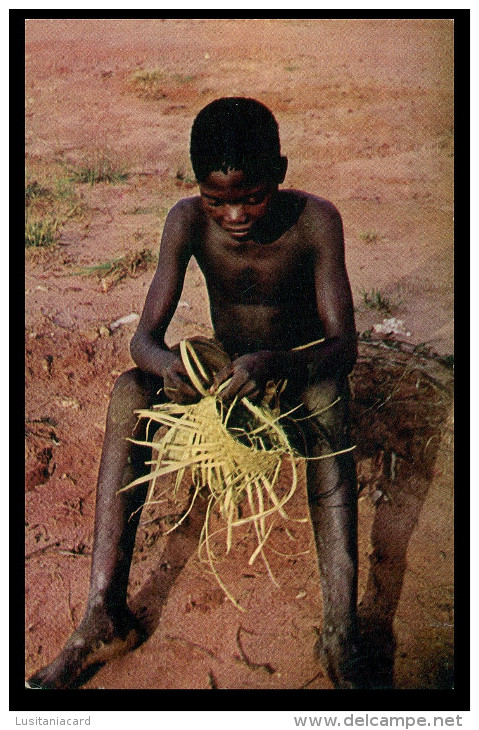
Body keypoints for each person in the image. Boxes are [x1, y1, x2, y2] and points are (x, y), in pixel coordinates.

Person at [27, 97, 361, 690]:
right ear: (197, 189)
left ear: (279, 173)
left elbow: (343, 346)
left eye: (250, 196)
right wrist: (167, 366)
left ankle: (341, 629)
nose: (234, 215)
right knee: (131, 391)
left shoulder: (315, 221)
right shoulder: (185, 221)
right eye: (218, 200)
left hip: (292, 373)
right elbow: (144, 342)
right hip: (224, 373)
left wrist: (283, 364)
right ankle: (104, 610)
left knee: (327, 394)